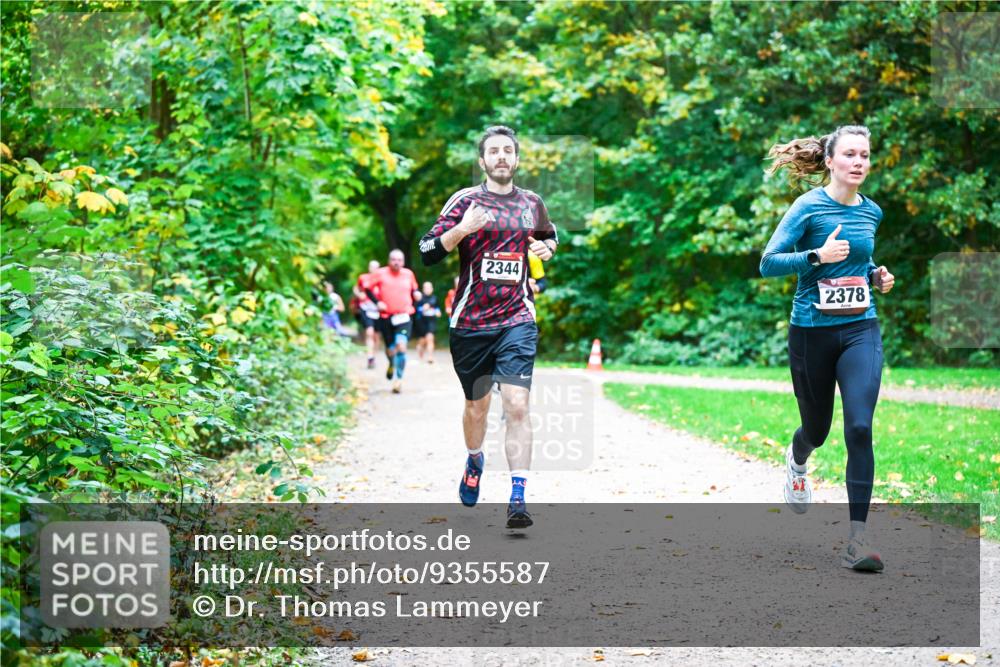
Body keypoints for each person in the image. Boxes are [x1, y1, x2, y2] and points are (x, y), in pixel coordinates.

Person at [760, 124, 895, 572]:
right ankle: (798, 458)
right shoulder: (808, 207)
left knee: (859, 427)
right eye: (851, 155)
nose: (859, 162)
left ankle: (858, 540)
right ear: (831, 161)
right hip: (811, 333)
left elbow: (860, 259)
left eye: (865, 155)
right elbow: (768, 262)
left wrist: (876, 275)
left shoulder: (871, 211)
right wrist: (817, 256)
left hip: (861, 328)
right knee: (816, 430)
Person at [419, 125, 558, 529]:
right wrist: (463, 229)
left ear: (516, 159)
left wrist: (547, 248)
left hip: (517, 319)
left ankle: (518, 496)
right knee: (476, 408)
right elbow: (427, 251)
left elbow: (549, 239)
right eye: (493, 151)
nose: (501, 157)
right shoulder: (466, 201)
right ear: (482, 161)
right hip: (471, 323)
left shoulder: (532, 203)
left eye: (507, 151)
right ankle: (475, 458)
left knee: (517, 404)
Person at [365, 250, 421, 394]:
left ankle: (398, 380)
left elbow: (415, 291)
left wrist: (417, 296)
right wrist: (377, 302)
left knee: (401, 346)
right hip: (386, 317)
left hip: (404, 316)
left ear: (403, 262)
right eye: (394, 259)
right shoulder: (380, 273)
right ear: (389, 260)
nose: (396, 262)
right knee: (390, 349)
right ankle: (391, 363)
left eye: (399, 260)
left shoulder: (408, 274)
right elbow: (367, 288)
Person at [354, 260, 382, 369]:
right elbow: (356, 288)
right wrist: (359, 294)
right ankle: (370, 358)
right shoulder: (363, 278)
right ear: (369, 267)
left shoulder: (381, 280)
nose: (374, 269)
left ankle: (374, 356)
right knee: (369, 332)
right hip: (366, 309)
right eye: (372, 267)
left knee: (377, 336)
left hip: (378, 311)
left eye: (376, 267)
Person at [414, 281, 441, 362]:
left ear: (432, 289)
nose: (428, 289)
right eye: (426, 287)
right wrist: (422, 308)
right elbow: (415, 310)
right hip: (421, 322)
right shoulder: (420, 298)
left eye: (429, 287)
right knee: (422, 341)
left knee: (430, 338)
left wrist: (438, 312)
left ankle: (430, 357)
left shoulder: (435, 298)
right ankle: (420, 350)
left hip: (431, 321)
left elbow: (437, 308)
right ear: (423, 289)